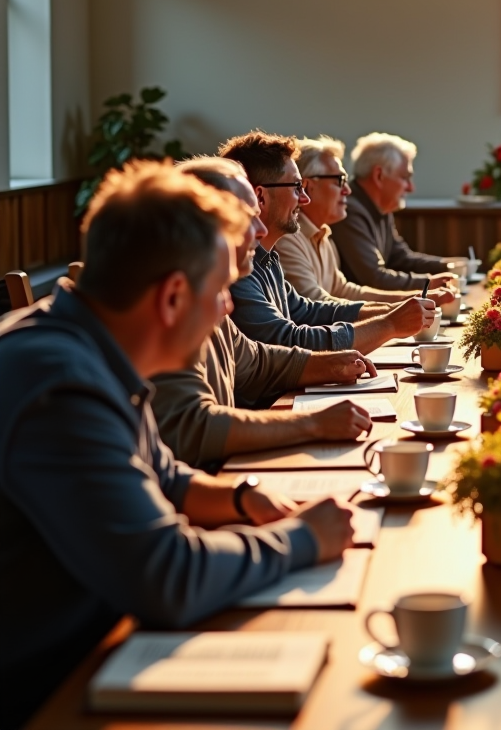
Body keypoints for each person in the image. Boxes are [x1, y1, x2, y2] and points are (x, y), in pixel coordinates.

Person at [0, 161, 356, 729]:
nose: (228, 309)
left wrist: (243, 500)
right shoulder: (59, 383)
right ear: (171, 298)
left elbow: (166, 478)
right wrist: (300, 541)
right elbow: (166, 576)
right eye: (219, 293)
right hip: (49, 696)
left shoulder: (91, 346)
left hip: (104, 654)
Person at [150, 157, 377, 471]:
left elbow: (256, 361)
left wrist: (331, 363)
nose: (260, 230)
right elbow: (194, 429)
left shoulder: (207, 295)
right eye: (246, 218)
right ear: (201, 229)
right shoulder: (167, 308)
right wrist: (312, 425)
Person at [219, 131, 435, 351]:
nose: (304, 199)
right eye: (296, 187)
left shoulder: (268, 257)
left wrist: (395, 312)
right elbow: (284, 340)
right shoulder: (241, 266)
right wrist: (389, 323)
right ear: (260, 197)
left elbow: (308, 311)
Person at [276, 135, 454, 305]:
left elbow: (345, 291)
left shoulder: (322, 234)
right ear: (307, 186)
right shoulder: (287, 237)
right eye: (340, 180)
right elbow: (315, 304)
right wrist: (398, 310)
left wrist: (417, 297)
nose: (347, 190)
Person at [331, 132, 451, 291]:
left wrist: (450, 266)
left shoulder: (381, 206)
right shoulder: (349, 210)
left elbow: (400, 258)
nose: (410, 188)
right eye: (404, 177)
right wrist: (429, 283)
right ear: (379, 175)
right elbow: (374, 278)